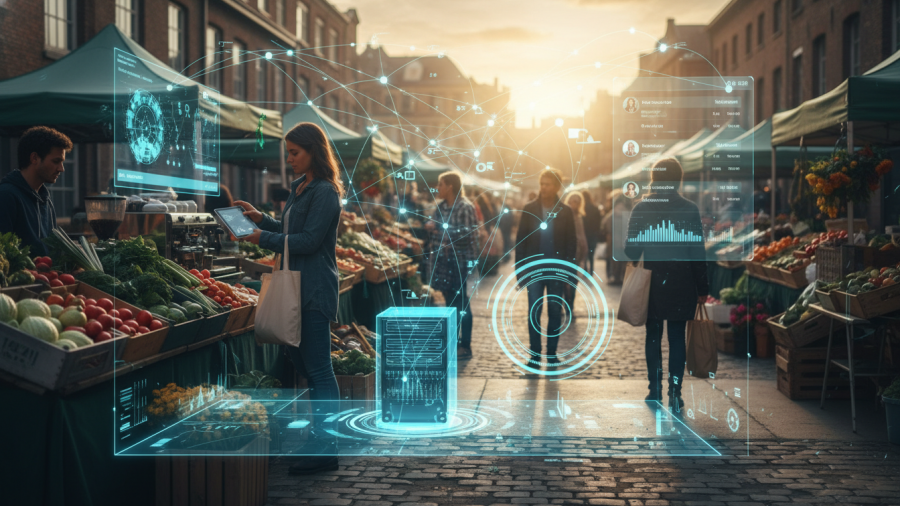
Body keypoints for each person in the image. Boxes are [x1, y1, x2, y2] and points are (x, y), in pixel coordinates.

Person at [232, 122, 343, 475]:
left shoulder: (324, 191)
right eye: (288, 153)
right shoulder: (302, 187)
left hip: (312, 290)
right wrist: (260, 219)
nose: (290, 159)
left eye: (295, 153)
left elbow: (309, 241)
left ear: (314, 151)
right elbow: (292, 230)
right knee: (308, 369)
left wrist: (260, 237)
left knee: (321, 371)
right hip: (295, 288)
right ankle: (318, 440)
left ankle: (327, 447)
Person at [623, 158, 709, 412]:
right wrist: (703, 288)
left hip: (653, 281)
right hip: (682, 281)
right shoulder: (690, 208)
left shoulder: (642, 208)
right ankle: (675, 391)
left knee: (653, 335)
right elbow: (697, 251)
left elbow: (631, 251)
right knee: (677, 337)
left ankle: (654, 389)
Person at [514, 168, 577, 366]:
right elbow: (520, 241)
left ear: (556, 186)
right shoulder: (530, 208)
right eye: (542, 184)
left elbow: (571, 244)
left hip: (556, 271)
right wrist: (520, 270)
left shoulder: (565, 211)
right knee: (534, 311)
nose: (544, 188)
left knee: (555, 312)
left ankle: (551, 353)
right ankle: (534, 354)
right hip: (534, 270)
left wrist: (569, 273)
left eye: (548, 184)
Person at [424, 172, 481, 358]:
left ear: (450, 186)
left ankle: (466, 345)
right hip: (443, 263)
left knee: (462, 302)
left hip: (460, 262)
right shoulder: (440, 207)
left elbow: (467, 236)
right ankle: (453, 343)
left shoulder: (465, 207)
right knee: (449, 302)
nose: (438, 188)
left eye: (440, 184)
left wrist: (437, 228)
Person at [0, 126, 72, 257]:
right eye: (56, 161)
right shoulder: (6, 196)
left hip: (47, 277)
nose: (61, 169)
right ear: (34, 158)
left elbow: (52, 249)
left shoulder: (46, 200)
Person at [562, 191, 588, 320]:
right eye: (572, 201)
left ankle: (570, 306)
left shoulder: (579, 216)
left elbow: (582, 234)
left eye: (576, 202)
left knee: (573, 280)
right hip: (566, 251)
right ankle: (563, 304)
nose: (574, 204)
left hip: (577, 253)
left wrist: (585, 248)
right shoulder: (564, 215)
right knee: (563, 280)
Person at [600, 192, 630, 284]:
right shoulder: (629, 213)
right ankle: (622, 277)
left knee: (614, 261)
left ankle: (614, 277)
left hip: (614, 241)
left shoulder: (611, 214)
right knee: (624, 261)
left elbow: (605, 227)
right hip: (625, 242)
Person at [581, 190, 602, 275]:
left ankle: (585, 268)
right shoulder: (595, 208)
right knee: (591, 253)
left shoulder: (582, 208)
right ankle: (592, 269)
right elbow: (599, 222)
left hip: (584, 233)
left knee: (585, 253)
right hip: (593, 234)